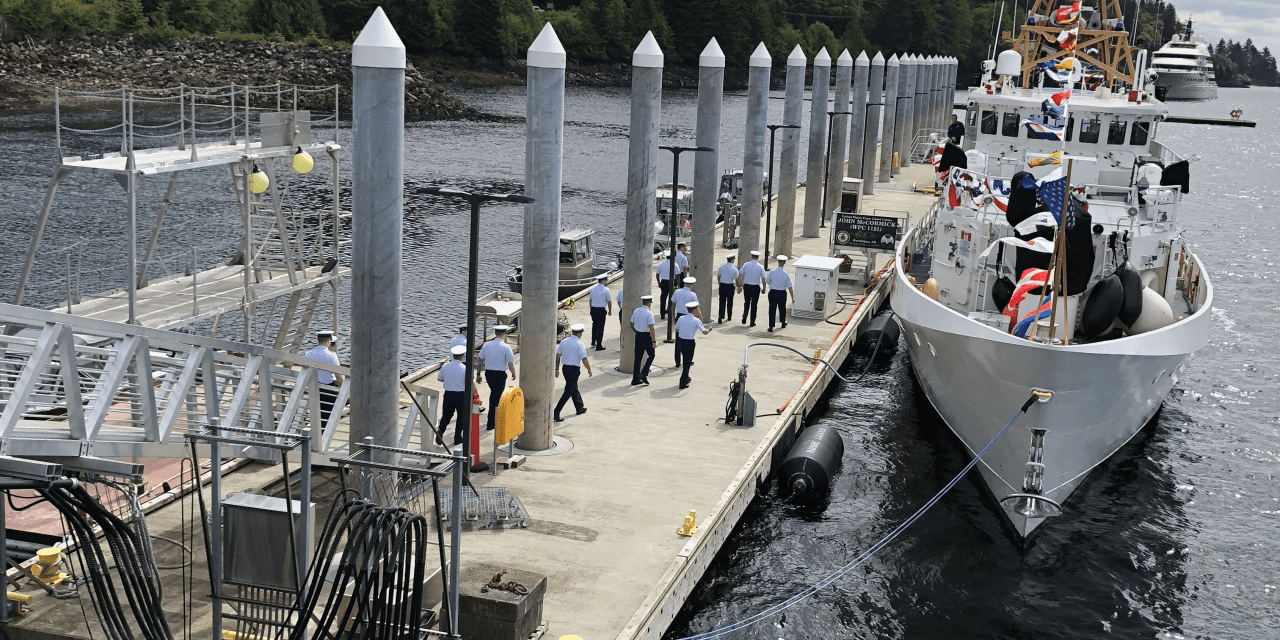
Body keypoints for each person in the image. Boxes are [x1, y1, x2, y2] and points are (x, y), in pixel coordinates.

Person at [476, 325, 517, 430]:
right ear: (503, 334)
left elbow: (480, 360)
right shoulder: (506, 347)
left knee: (494, 394)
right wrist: (513, 373)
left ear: (495, 333)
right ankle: (491, 422)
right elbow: (510, 363)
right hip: (500, 374)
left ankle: (494, 419)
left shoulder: (486, 345)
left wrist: (478, 374)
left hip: (489, 374)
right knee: (496, 397)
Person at [304, 330, 344, 427]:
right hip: (328, 390)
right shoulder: (332, 355)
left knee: (316, 413)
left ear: (318, 340)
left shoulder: (308, 354)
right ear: (328, 341)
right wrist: (343, 386)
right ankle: (323, 436)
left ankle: (316, 433)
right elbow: (338, 375)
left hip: (314, 387)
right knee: (327, 415)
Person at [554, 323, 592, 421]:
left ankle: (579, 407)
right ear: (579, 334)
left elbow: (558, 355)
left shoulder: (564, 342)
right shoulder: (580, 344)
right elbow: (584, 359)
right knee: (568, 391)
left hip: (565, 369)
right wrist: (589, 369)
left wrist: (556, 369)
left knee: (573, 388)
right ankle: (556, 412)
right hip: (574, 370)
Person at [674, 301, 712, 389]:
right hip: (689, 343)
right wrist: (709, 329)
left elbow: (676, 328)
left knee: (685, 359)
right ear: (695, 310)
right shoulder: (696, 320)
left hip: (681, 341)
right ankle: (682, 382)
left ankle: (686, 377)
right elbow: (704, 332)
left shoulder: (681, 318)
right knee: (687, 363)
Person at [436, 345, 469, 445]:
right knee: (461, 417)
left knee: (446, 415)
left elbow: (439, 378)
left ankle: (440, 430)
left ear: (453, 355)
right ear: (462, 356)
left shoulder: (445, 366)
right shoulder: (464, 368)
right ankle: (457, 437)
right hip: (461, 395)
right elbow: (469, 382)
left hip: (448, 394)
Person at [670, 276, 699, 367]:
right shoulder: (692, 295)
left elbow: (672, 305)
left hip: (679, 316)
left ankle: (677, 362)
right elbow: (696, 308)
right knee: (688, 338)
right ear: (692, 285)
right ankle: (688, 359)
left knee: (678, 340)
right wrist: (699, 319)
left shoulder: (677, 292)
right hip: (689, 316)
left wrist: (673, 317)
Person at [630, 295, 656, 386]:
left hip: (638, 335)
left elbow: (631, 323)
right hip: (646, 336)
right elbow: (651, 328)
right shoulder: (649, 313)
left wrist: (637, 331)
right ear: (649, 303)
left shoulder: (636, 311)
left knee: (637, 358)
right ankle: (644, 373)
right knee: (652, 355)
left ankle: (635, 379)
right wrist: (653, 341)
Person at [765, 255, 795, 333]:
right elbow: (790, 287)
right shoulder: (786, 274)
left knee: (772, 309)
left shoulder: (772, 272)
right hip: (782, 293)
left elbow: (767, 281)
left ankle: (771, 326)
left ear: (778, 262)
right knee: (782, 308)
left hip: (773, 292)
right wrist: (792, 297)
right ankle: (782, 323)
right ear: (784, 263)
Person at [737, 250, 765, 327]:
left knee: (747, 302)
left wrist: (739, 285)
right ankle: (752, 321)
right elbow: (763, 278)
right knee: (754, 304)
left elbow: (740, 274)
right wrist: (764, 288)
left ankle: (745, 314)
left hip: (747, 286)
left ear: (751, 256)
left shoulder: (746, 265)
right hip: (756, 287)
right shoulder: (760, 266)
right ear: (758, 257)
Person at [588, 274, 611, 351]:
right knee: (600, 328)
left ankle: (593, 341)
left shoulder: (593, 289)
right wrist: (610, 310)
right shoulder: (606, 290)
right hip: (601, 310)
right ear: (604, 281)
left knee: (594, 325)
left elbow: (590, 300)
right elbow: (609, 301)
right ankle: (599, 345)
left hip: (593, 309)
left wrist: (591, 309)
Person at [716, 254, 740, 324]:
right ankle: (729, 316)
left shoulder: (721, 267)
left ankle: (720, 316)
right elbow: (736, 279)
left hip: (723, 285)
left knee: (722, 302)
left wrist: (719, 283)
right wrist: (738, 286)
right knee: (730, 302)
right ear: (732, 260)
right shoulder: (734, 269)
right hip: (730, 286)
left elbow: (718, 276)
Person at [655, 250, 676, 319]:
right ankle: (669, 311)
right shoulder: (674, 264)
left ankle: (662, 313)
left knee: (663, 298)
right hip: (671, 282)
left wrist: (659, 283)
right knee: (671, 298)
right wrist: (677, 285)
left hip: (663, 281)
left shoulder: (661, 264)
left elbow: (657, 274)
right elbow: (678, 275)